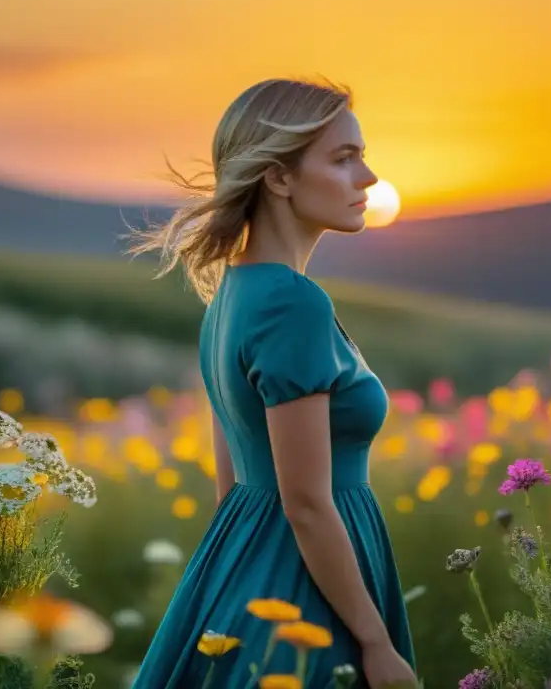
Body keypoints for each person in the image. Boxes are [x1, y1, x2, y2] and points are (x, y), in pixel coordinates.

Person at [128, 78, 418, 688]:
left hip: (245, 568)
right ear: (279, 178)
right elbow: (307, 503)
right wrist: (374, 641)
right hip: (307, 590)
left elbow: (230, 480)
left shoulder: (231, 294)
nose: (367, 178)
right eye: (344, 158)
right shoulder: (291, 302)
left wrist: (240, 582)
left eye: (362, 156)